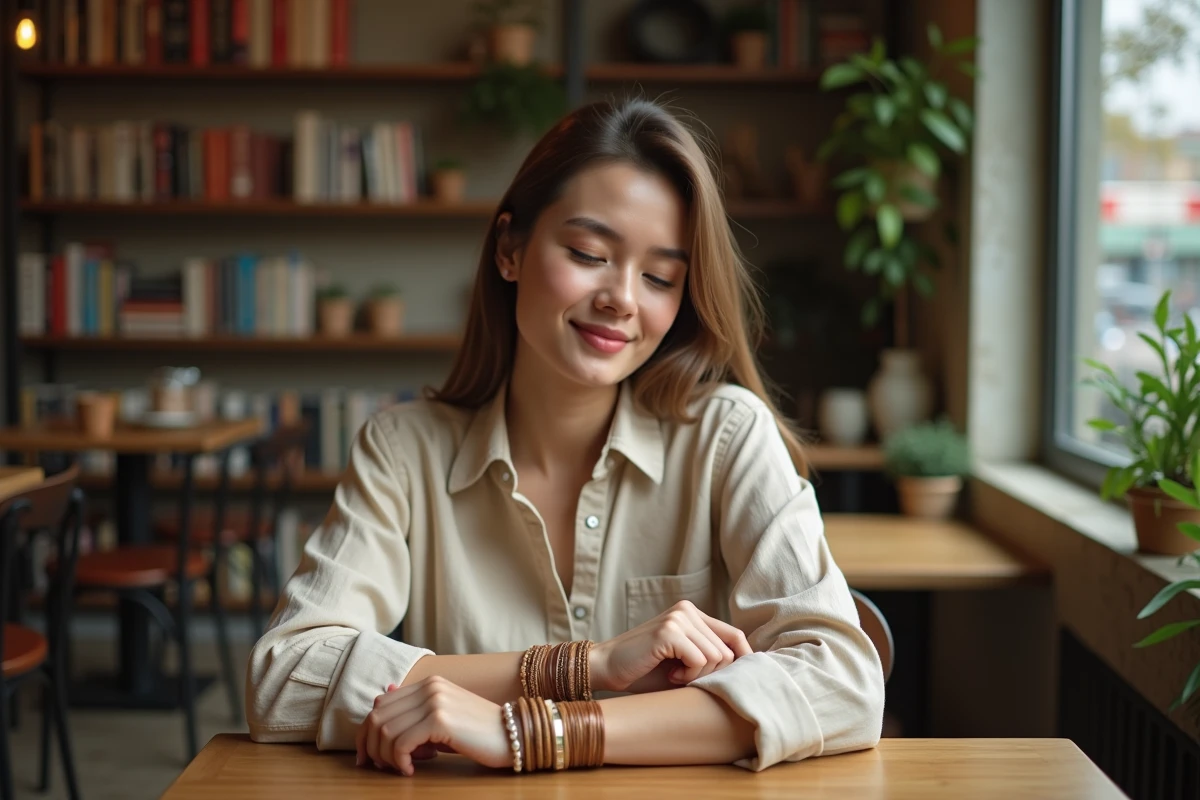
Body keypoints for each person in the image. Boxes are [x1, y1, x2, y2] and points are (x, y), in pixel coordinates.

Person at [245, 98, 884, 776]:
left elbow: (842, 682)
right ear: (509, 249)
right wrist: (588, 665)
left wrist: (533, 728)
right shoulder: (403, 450)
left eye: (660, 277)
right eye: (588, 253)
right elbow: (284, 678)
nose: (623, 299)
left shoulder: (728, 437)